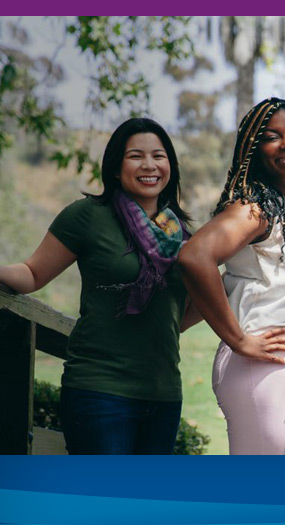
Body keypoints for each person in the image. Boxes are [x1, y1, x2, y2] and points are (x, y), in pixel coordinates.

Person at [0, 118, 197, 454]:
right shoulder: (88, 216)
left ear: (170, 167)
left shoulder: (180, 234)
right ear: (116, 167)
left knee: (147, 506)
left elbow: (194, 305)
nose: (149, 165)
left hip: (164, 394)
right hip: (99, 391)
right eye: (136, 156)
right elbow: (32, 275)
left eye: (159, 156)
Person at [178, 98, 285, 455]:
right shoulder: (253, 208)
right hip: (268, 366)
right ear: (253, 149)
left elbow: (233, 279)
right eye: (271, 137)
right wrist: (238, 339)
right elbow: (195, 256)